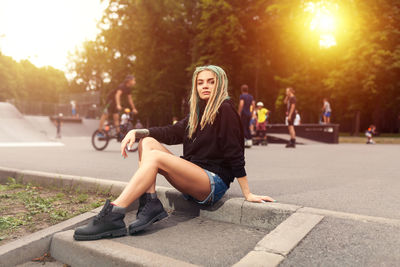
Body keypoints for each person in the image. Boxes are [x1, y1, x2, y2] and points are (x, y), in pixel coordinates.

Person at [73, 65, 275, 241]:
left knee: (155, 157)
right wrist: (136, 132)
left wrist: (247, 193)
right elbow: (171, 132)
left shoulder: (226, 109)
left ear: (220, 84)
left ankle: (114, 213)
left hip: (212, 183)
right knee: (147, 142)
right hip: (193, 175)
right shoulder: (197, 112)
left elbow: (235, 153)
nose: (205, 86)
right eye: (200, 82)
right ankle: (150, 203)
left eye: (211, 82)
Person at [98, 75, 138, 140]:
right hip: (110, 100)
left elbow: (130, 99)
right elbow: (117, 95)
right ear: (129, 81)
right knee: (105, 115)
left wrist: (134, 108)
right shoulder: (122, 86)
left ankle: (118, 133)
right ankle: (99, 131)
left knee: (116, 118)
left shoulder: (128, 89)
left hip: (115, 102)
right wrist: (118, 104)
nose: (134, 82)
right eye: (133, 80)